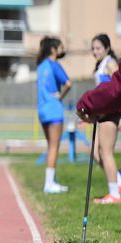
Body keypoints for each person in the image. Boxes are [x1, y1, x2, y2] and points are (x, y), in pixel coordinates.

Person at [86, 33, 121, 204]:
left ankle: (115, 193)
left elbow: (120, 87)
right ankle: (118, 183)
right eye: (93, 48)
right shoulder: (101, 64)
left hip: (111, 113)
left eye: (98, 48)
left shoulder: (110, 63)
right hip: (103, 113)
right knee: (96, 153)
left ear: (107, 48)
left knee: (105, 152)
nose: (95, 52)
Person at [36, 36, 73, 194]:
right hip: (53, 109)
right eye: (60, 47)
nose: (62, 49)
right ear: (53, 49)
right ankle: (49, 184)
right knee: (54, 146)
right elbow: (68, 83)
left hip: (42, 109)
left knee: (50, 145)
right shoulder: (53, 64)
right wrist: (60, 96)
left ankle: (51, 181)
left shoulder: (40, 66)